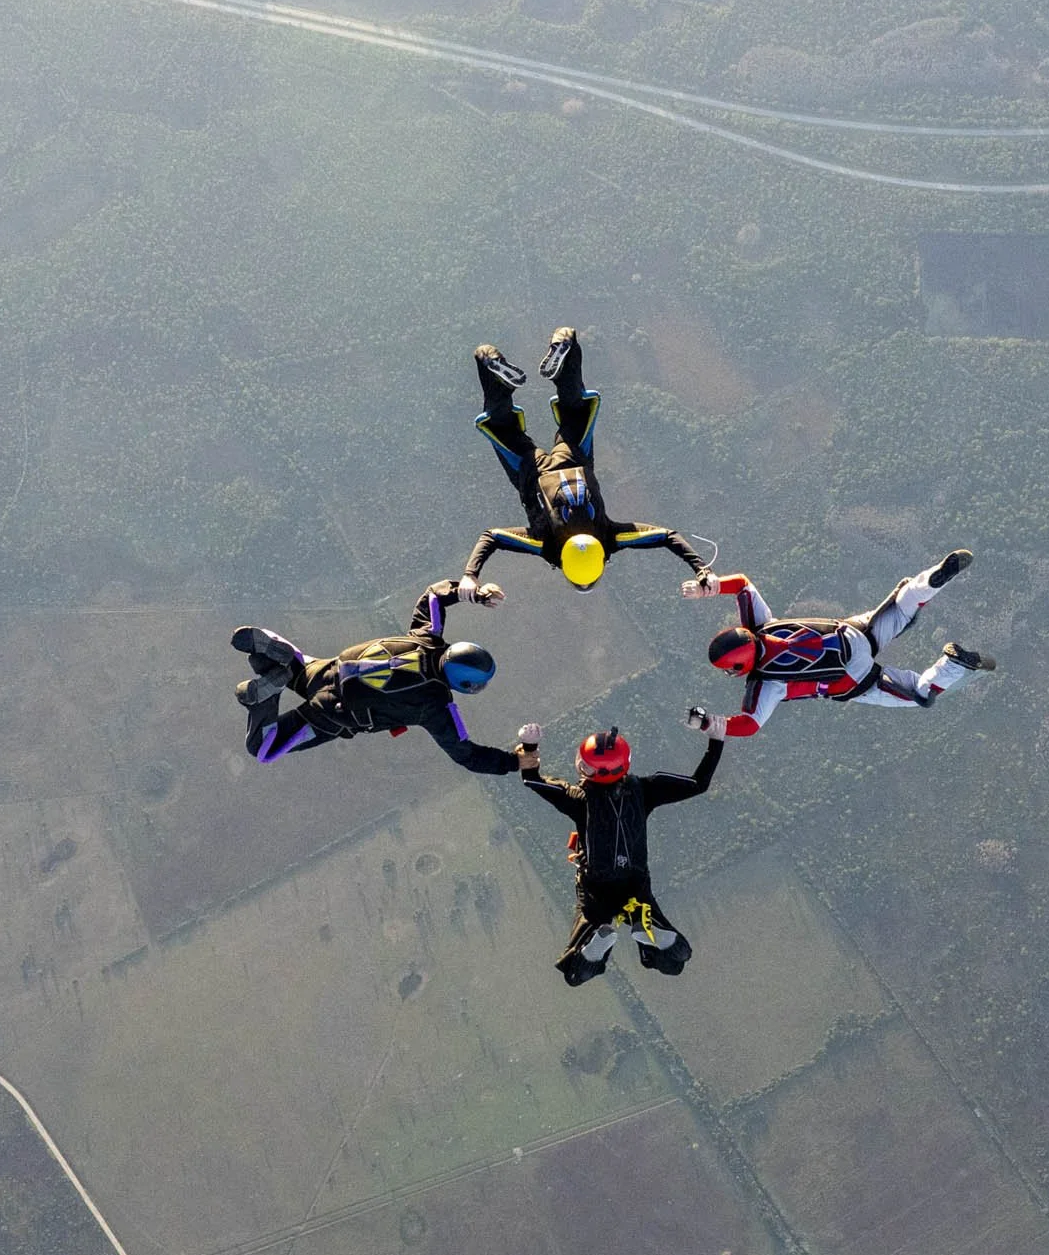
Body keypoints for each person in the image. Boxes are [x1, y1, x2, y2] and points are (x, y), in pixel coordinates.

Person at [460, 328, 710, 596]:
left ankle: (565, 346)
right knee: (502, 425)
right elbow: (491, 537)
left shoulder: (608, 538)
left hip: (574, 457)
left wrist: (703, 571)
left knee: (575, 409)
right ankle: (492, 368)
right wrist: (470, 577)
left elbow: (667, 536)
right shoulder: (546, 546)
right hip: (531, 470)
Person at [683, 550, 994, 738]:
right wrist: (709, 587)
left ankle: (951, 665)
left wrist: (710, 723)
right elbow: (741, 583)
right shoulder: (760, 623)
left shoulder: (766, 683)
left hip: (853, 679)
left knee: (919, 694)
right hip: (852, 634)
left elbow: (750, 725)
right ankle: (931, 580)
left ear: (740, 666)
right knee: (902, 607)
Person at [233, 580, 522, 774]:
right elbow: (466, 755)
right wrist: (514, 761)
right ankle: (266, 698)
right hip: (333, 715)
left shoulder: (427, 637)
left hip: (326, 672)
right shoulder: (437, 709)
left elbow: (433, 594)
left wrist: (474, 592)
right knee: (262, 748)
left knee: (286, 667)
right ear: (465, 684)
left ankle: (275, 656)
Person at [517, 718, 725, 985]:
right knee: (675, 964)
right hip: (634, 883)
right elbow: (699, 783)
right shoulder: (646, 789)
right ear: (624, 764)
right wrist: (716, 740)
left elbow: (532, 780)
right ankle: (651, 929)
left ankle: (596, 941)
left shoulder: (579, 799)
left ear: (583, 766)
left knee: (574, 974)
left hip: (596, 886)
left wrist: (529, 743)